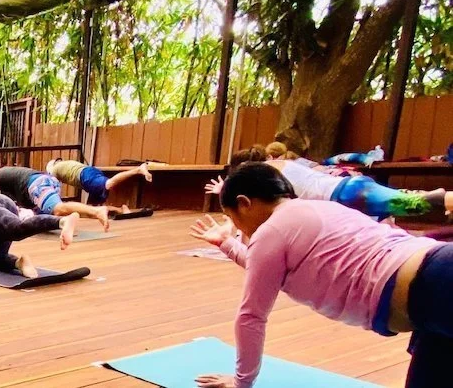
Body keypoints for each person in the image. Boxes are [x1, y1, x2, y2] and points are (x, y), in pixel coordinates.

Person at [189, 163, 450, 388]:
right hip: (432, 288)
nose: (235, 226)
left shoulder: (271, 231)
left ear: (244, 204)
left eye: (230, 216)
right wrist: (227, 244)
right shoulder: (319, 209)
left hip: (436, 286)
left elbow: (251, 317)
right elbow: (266, 270)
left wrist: (241, 381)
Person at [210, 146, 451, 221]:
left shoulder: (265, 175)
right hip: (350, 190)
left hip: (347, 196)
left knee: (416, 203)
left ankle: (445, 198)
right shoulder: (282, 164)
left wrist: (226, 189)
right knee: (410, 203)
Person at [0, 166, 110, 231]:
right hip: (48, 181)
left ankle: (97, 211)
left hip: (36, 185)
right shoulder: (8, 173)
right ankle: (89, 214)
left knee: (58, 209)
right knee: (43, 218)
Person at [45, 158, 152, 208]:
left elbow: (53, 188)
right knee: (93, 208)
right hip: (89, 172)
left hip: (85, 177)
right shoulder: (65, 164)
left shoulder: (54, 170)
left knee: (108, 184)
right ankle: (121, 210)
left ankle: (138, 170)